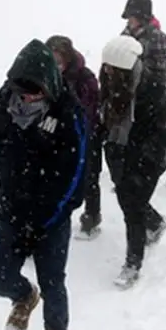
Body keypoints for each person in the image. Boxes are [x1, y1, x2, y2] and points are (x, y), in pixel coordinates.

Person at [0, 39, 86, 330]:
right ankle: (22, 296)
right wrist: (8, 200)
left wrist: (45, 220)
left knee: (53, 281)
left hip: (51, 217)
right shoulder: (6, 100)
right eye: (21, 90)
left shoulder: (67, 113)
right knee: (0, 276)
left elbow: (74, 175)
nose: (26, 97)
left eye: (34, 91)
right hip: (13, 208)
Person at [99, 35, 166, 289]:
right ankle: (155, 222)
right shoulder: (111, 83)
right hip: (118, 149)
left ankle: (133, 262)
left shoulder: (149, 88)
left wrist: (164, 156)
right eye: (106, 67)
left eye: (112, 68)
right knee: (127, 199)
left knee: (132, 206)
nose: (107, 72)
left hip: (146, 155)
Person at [120, 0, 166, 186]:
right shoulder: (125, 36)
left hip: (152, 99)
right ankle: (129, 177)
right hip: (131, 96)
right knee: (131, 138)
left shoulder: (157, 38)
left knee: (156, 141)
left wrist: (162, 99)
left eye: (133, 16)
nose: (129, 21)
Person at [46, 35, 103, 240]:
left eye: (59, 59)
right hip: (55, 136)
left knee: (89, 176)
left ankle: (92, 217)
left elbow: (88, 108)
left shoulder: (84, 77)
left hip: (86, 134)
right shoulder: (46, 76)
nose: (57, 64)